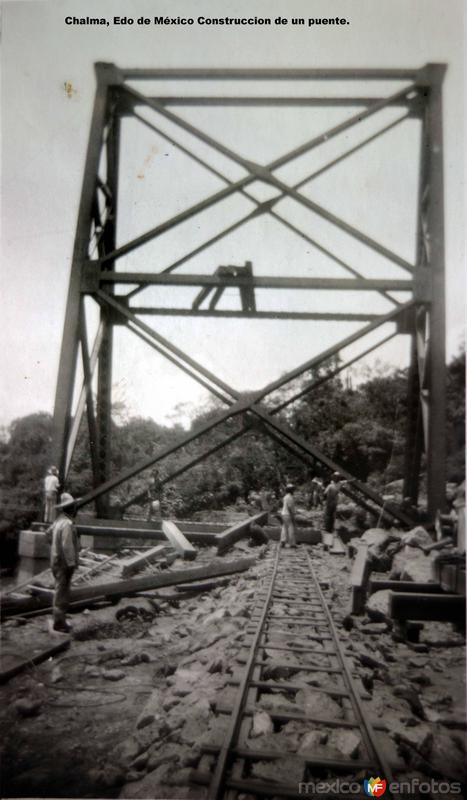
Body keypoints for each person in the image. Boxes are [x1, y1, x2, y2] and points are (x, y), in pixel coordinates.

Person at [47, 492, 80, 633]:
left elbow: (47, 534)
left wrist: (55, 548)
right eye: (73, 507)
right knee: (62, 593)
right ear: (70, 508)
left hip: (55, 561)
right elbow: (67, 545)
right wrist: (71, 563)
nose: (75, 509)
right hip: (64, 563)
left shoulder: (57, 521)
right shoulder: (67, 523)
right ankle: (59, 623)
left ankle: (59, 619)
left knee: (59, 590)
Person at [280, 484, 297, 548]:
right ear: (291, 490)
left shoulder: (285, 497)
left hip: (283, 514)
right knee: (291, 527)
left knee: (284, 527)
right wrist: (292, 515)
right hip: (288, 514)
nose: (294, 491)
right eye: (293, 490)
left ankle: (283, 541)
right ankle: (292, 543)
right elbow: (289, 507)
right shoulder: (290, 497)